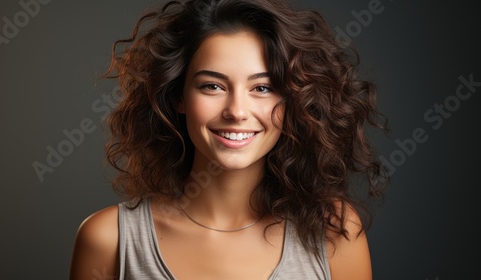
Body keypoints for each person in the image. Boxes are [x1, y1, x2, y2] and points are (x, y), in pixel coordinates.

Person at [69, 0, 388, 279]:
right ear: (178, 97)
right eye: (212, 86)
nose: (236, 111)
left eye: (262, 88)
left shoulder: (334, 232)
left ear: (293, 101)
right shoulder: (109, 241)